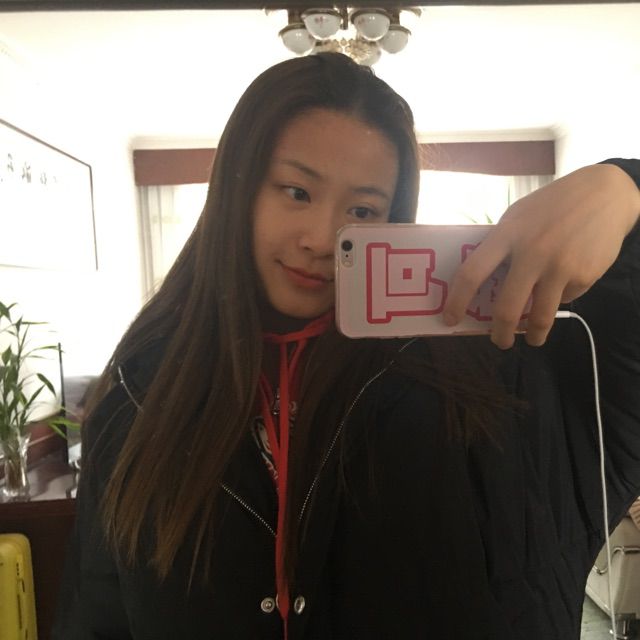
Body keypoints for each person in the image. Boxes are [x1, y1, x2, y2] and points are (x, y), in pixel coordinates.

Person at [52, 52, 640, 640]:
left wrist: (625, 191)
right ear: (236, 189)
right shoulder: (139, 392)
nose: (321, 240)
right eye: (296, 191)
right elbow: (97, 613)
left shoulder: (482, 370)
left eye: (362, 210)